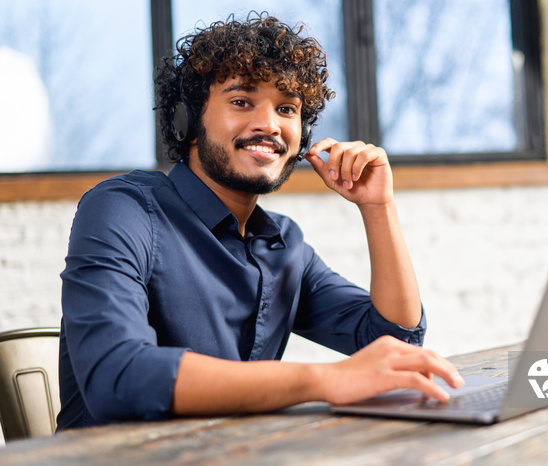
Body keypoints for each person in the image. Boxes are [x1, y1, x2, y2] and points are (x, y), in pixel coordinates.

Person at [57, 13, 463, 430]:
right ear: (188, 122)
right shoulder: (123, 209)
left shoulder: (285, 245)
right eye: (241, 101)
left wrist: (378, 208)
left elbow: (395, 344)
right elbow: (115, 376)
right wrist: (324, 380)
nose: (269, 125)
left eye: (286, 108)